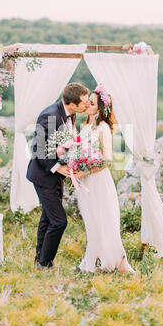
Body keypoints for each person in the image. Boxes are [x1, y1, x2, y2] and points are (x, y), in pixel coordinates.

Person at [27, 82, 90, 269]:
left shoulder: (70, 115)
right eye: (84, 102)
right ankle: (45, 263)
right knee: (59, 221)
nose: (86, 105)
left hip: (56, 176)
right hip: (43, 175)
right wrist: (56, 167)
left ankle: (40, 259)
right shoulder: (50, 115)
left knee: (47, 218)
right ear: (72, 104)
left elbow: (63, 143)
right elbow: (37, 148)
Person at [74, 86, 135, 274]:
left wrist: (85, 172)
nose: (86, 105)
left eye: (91, 103)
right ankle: (90, 261)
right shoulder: (85, 127)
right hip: (85, 180)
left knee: (101, 220)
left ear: (100, 109)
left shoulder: (103, 128)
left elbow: (107, 160)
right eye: (87, 101)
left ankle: (101, 262)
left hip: (97, 180)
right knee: (90, 220)